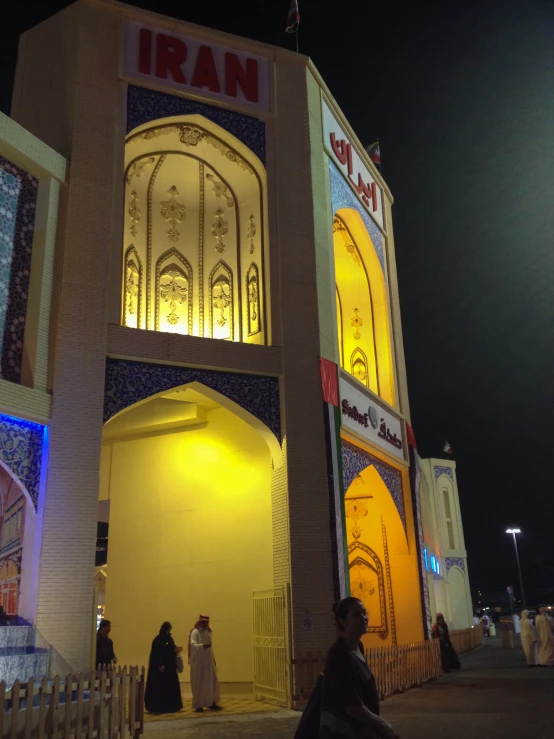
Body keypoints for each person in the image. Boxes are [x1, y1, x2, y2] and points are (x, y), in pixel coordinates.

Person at [320, 597, 398, 739]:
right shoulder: (339, 654)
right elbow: (352, 706)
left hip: (364, 727)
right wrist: (382, 724)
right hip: (348, 731)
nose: (364, 618)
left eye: (364, 613)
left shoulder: (358, 647)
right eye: (356, 615)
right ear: (343, 621)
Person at [144, 622, 183, 714]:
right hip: (161, 670)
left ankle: (171, 706)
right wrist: (159, 664)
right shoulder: (158, 640)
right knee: (159, 688)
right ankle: (158, 707)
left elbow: (170, 648)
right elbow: (156, 654)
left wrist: (176, 649)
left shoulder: (169, 638)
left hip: (169, 668)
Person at [189, 614, 221, 712]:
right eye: (203, 622)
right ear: (200, 622)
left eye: (206, 622)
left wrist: (213, 659)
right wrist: (203, 646)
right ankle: (198, 705)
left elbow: (211, 648)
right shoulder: (195, 632)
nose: (205, 624)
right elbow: (193, 645)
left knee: (211, 682)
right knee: (200, 682)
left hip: (208, 662)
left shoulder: (208, 632)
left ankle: (211, 702)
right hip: (199, 663)